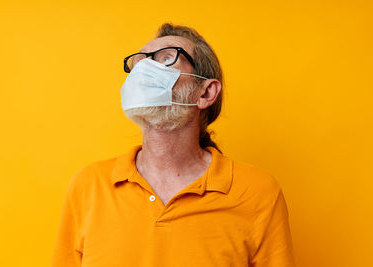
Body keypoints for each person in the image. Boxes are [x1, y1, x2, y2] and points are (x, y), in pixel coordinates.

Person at [50, 23, 296, 267]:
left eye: (167, 58)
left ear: (206, 93)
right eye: (140, 62)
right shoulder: (89, 185)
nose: (145, 69)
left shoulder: (257, 192)